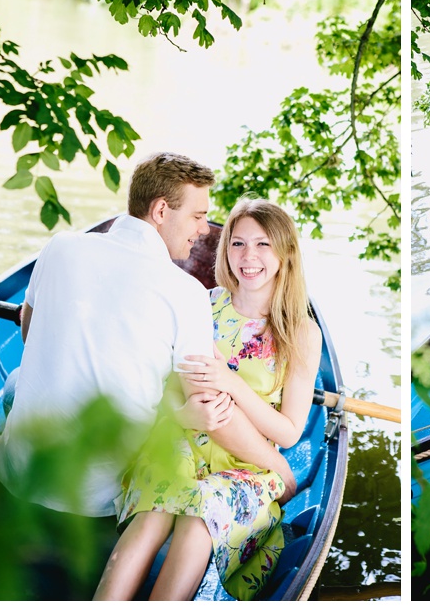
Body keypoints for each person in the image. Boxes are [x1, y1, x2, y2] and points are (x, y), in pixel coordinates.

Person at [94, 198, 322, 601]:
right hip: (185, 436)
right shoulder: (202, 303)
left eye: (263, 244)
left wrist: (231, 384)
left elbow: (288, 434)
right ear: (225, 250)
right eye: (237, 244)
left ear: (285, 253)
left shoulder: (300, 331)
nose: (248, 257)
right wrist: (182, 414)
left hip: (248, 459)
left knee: (202, 516)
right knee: (153, 511)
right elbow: (160, 389)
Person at [0, 151, 221, 517]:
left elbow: (29, 334)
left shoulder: (60, 246)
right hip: (92, 503)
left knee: (17, 381)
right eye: (198, 216)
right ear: (161, 211)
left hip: (12, 475)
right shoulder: (188, 292)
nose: (205, 229)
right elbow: (201, 399)